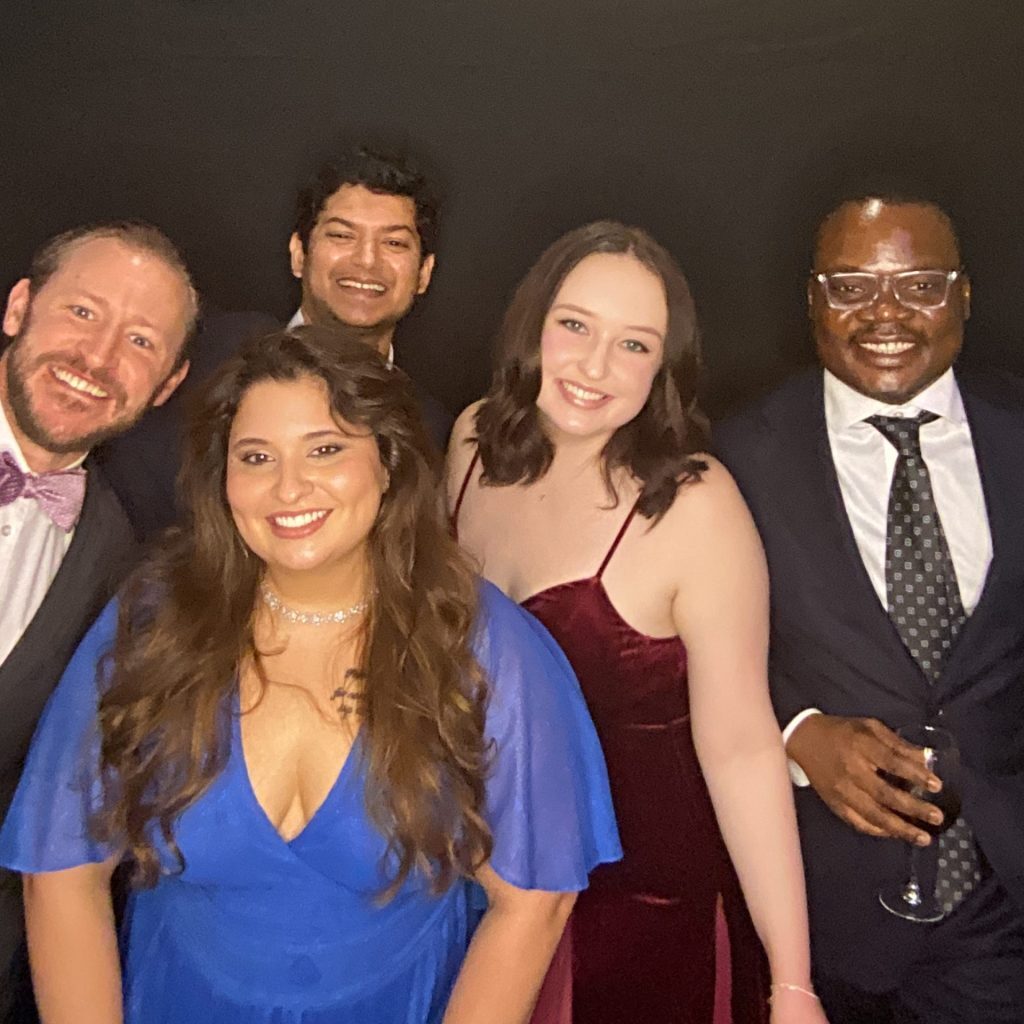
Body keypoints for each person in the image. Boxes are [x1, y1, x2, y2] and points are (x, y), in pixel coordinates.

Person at [0, 326, 621, 1024]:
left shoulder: (483, 647)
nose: (287, 487)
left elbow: (534, 904)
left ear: (387, 463)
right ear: (222, 477)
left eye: (325, 449)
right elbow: (59, 870)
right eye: (255, 457)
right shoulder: (155, 621)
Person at [447, 222, 826, 1024]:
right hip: (482, 890)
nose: (593, 367)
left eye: (634, 345)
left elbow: (743, 750)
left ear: (663, 370)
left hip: (645, 918)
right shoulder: (473, 443)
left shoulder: (694, 505)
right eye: (574, 326)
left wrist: (793, 983)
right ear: (533, 325)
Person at [714, 195, 1024, 1023]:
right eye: (851, 287)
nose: (886, 313)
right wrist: (795, 733)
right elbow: (681, 652)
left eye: (920, 285)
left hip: (1001, 914)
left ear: (965, 296)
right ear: (812, 299)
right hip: (814, 919)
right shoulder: (734, 457)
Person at [0, 220, 197, 1020]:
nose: (97, 358)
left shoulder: (125, 565)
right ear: (19, 306)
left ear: (169, 385)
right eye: (82, 312)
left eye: (140, 341)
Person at [99, 144, 453, 542]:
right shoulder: (203, 354)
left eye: (394, 244)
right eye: (341, 235)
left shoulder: (430, 428)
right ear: (299, 254)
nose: (366, 261)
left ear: (423, 273)